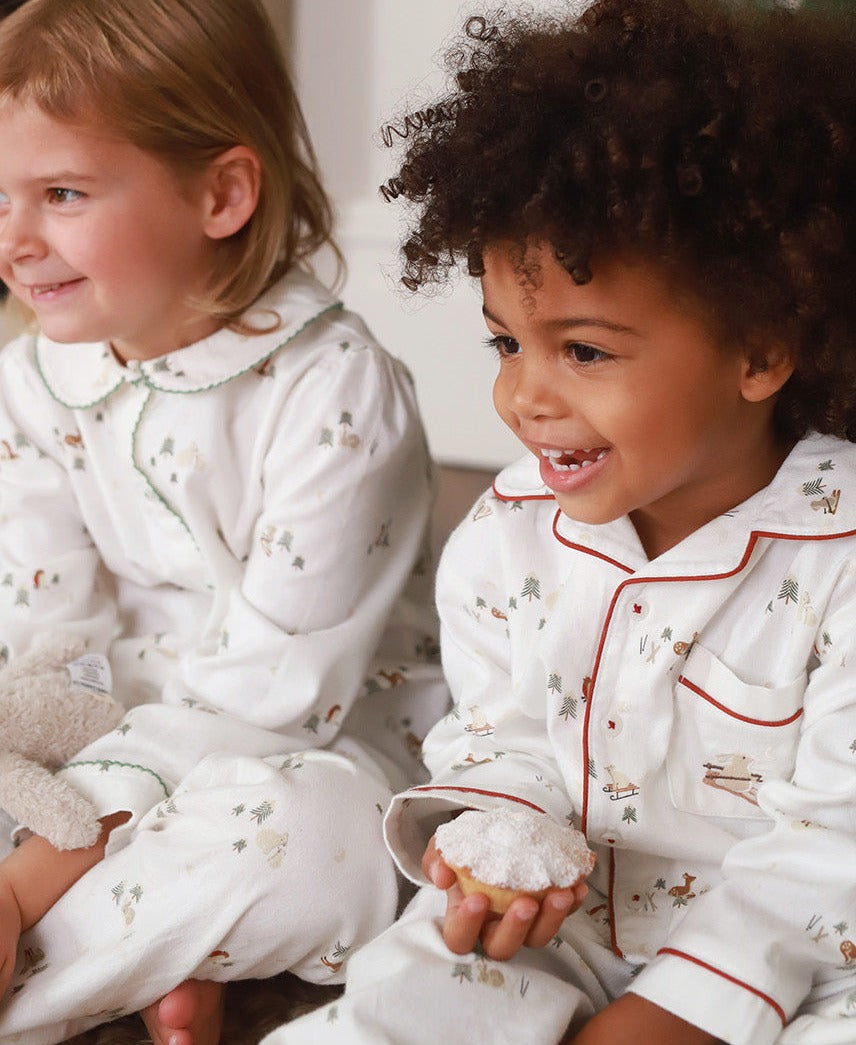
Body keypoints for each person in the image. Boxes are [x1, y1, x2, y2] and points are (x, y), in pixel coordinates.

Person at [265, 1, 856, 1043]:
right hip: (569, 933)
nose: (524, 399)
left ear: (760, 353)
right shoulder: (506, 537)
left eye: (582, 351)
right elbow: (500, 737)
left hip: (809, 960)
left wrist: (676, 1014)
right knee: (414, 981)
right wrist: (498, 843)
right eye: (507, 344)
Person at [0, 1, 448, 1043]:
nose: (15, 242)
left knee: (301, 840)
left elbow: (271, 697)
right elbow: (47, 630)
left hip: (295, 743)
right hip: (101, 734)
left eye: (61, 194)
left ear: (223, 193)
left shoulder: (337, 397)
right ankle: (167, 963)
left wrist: (29, 877)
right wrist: (42, 785)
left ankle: (48, 987)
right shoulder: (32, 376)